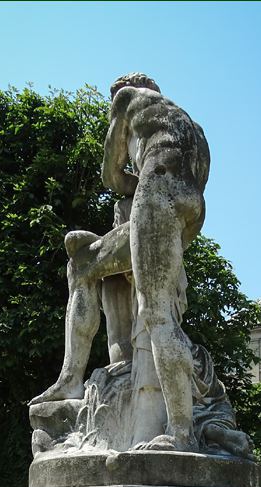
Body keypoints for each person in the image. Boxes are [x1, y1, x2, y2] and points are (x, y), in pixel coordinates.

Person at [29, 73, 210, 453]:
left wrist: (132, 183)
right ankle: (79, 380)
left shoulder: (127, 100)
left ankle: (179, 432)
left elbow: (111, 175)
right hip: (190, 206)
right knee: (89, 266)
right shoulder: (190, 128)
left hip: (157, 192)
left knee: (154, 314)